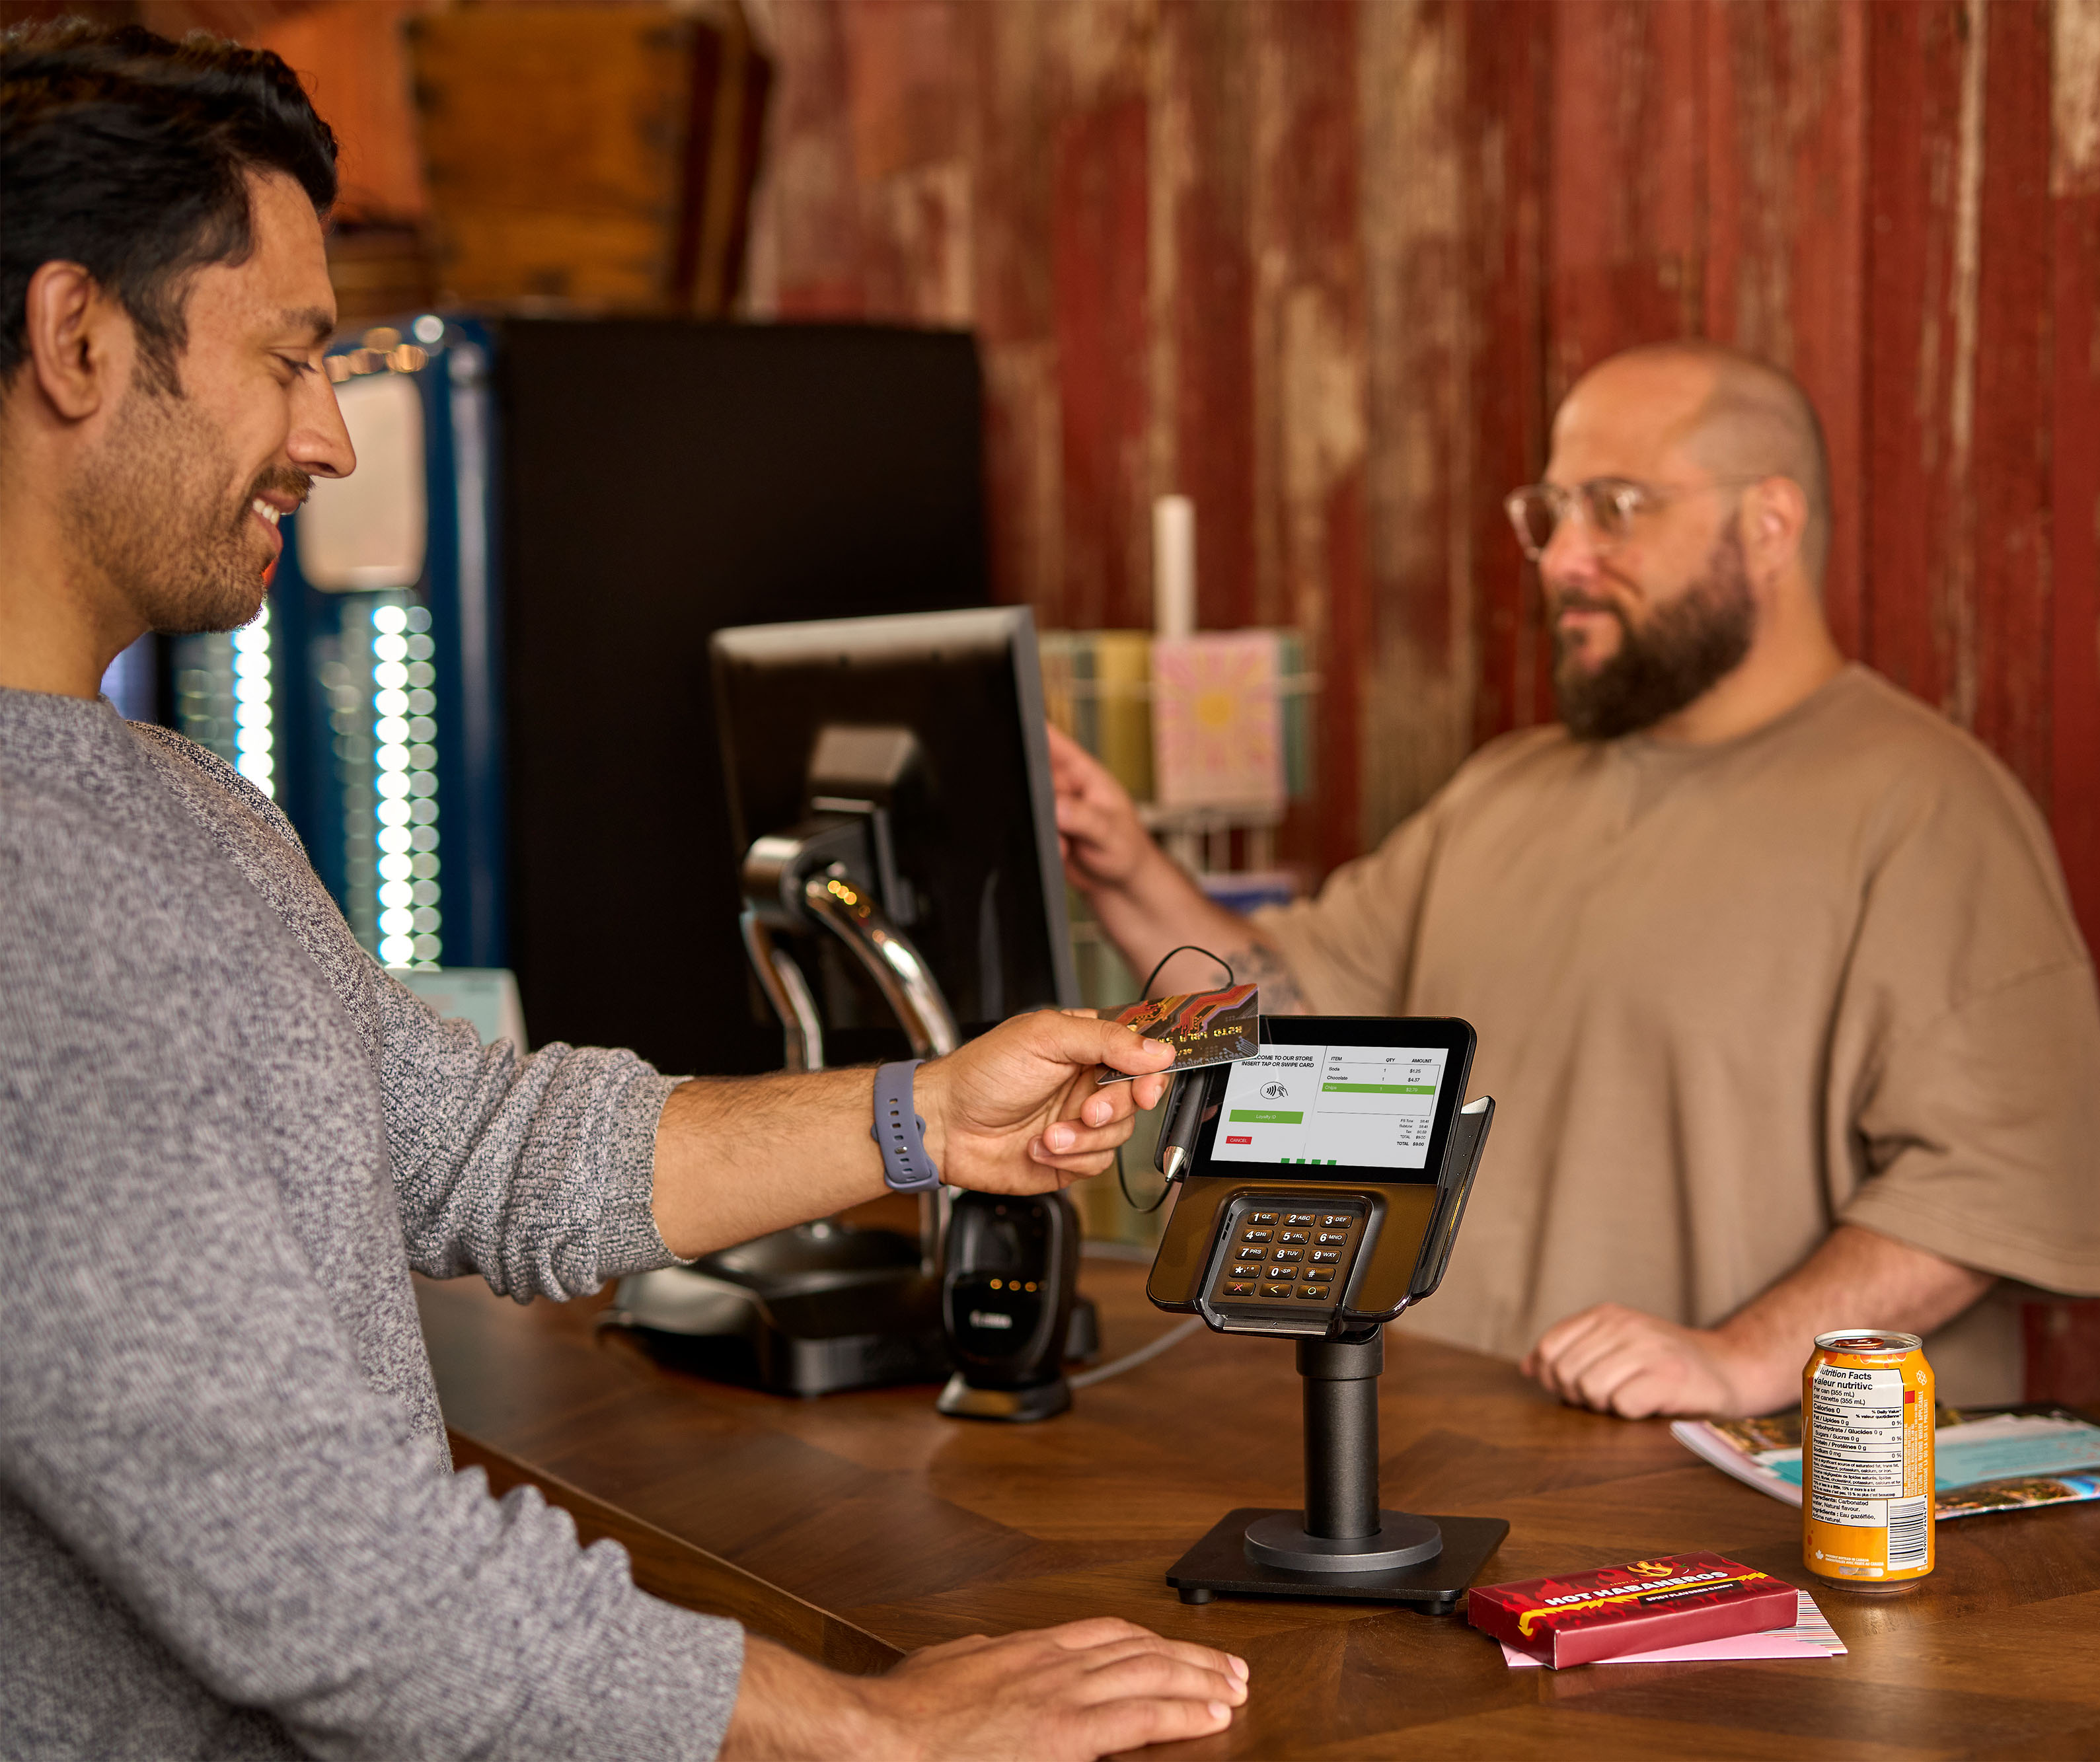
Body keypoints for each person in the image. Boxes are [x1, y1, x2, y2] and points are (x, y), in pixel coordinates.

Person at [0, 22, 1246, 1760]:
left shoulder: (178, 808)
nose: (333, 439)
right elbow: (319, 1570)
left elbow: (484, 1146)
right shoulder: (31, 897)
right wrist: (872, 1726)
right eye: (291, 357)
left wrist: (927, 1114)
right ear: (77, 340)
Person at [1055, 340, 2100, 1421]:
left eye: (1616, 507)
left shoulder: (1930, 808)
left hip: (1732, 1535)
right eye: (1551, 514)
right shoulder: (1506, 790)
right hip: (1443, 1475)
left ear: (1769, 525)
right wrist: (1120, 862)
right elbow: (1289, 1024)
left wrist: (1740, 1361)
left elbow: (1991, 1184)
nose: (1562, 557)